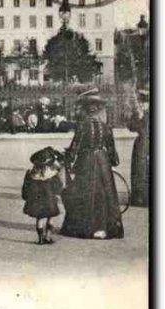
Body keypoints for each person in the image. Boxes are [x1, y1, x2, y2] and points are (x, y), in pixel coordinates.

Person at [60, 93, 123, 239]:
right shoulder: (106, 126)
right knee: (105, 192)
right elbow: (112, 150)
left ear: (86, 110)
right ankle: (106, 228)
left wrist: (68, 159)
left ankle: (86, 228)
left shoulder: (82, 126)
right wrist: (111, 161)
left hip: (87, 160)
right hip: (103, 160)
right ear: (99, 110)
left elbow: (75, 146)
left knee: (85, 191)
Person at [22, 147, 65, 245]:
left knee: (40, 218)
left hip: (38, 201)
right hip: (50, 201)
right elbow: (58, 187)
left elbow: (26, 188)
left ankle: (40, 239)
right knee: (51, 217)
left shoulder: (32, 175)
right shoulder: (52, 175)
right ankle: (48, 237)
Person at [127, 89, 150, 207]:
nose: (142, 105)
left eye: (144, 102)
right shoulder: (137, 113)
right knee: (138, 170)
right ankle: (138, 197)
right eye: (141, 102)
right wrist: (138, 117)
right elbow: (130, 127)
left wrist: (143, 117)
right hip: (141, 144)